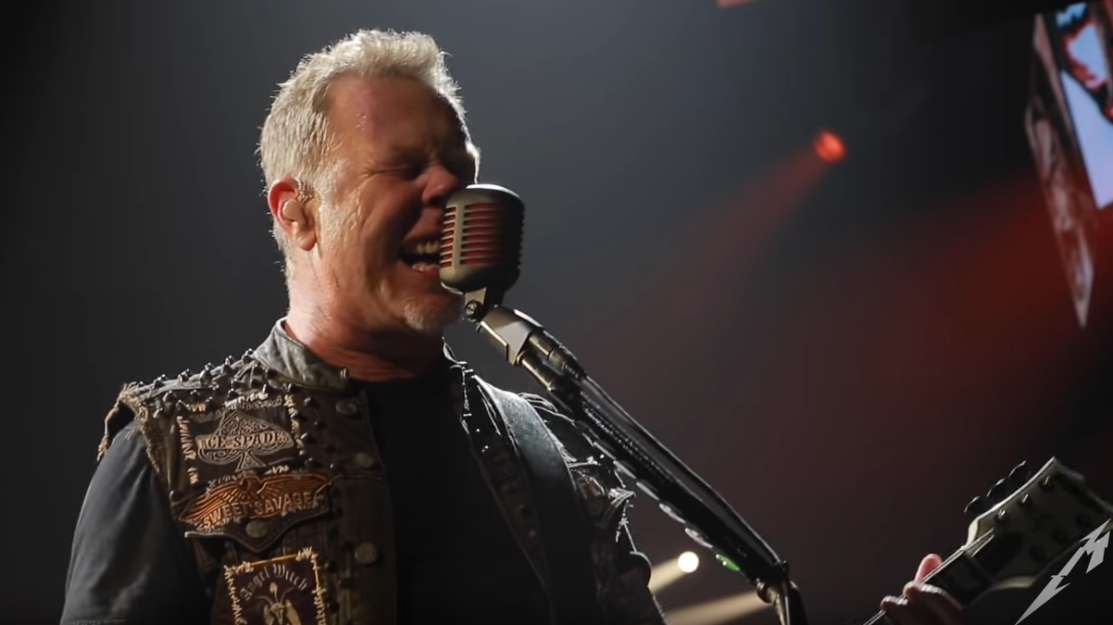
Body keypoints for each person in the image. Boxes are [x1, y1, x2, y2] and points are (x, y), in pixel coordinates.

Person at [60, 29, 967, 625]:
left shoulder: (546, 456)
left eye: (459, 168)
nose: (450, 192)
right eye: (405, 168)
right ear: (297, 212)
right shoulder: (169, 449)